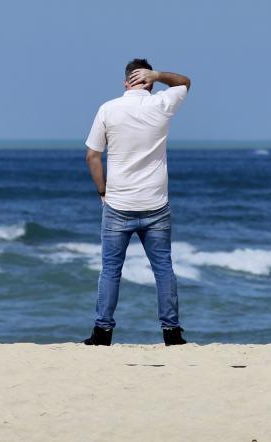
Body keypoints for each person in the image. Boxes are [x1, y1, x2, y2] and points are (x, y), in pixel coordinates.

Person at [81, 58, 191, 347]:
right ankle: (172, 332)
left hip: (118, 204)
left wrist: (102, 191)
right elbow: (184, 82)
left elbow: (92, 156)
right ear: (151, 82)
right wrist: (159, 73)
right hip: (155, 204)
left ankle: (102, 332)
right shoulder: (161, 104)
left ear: (125, 82)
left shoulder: (108, 109)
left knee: (110, 270)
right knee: (163, 268)